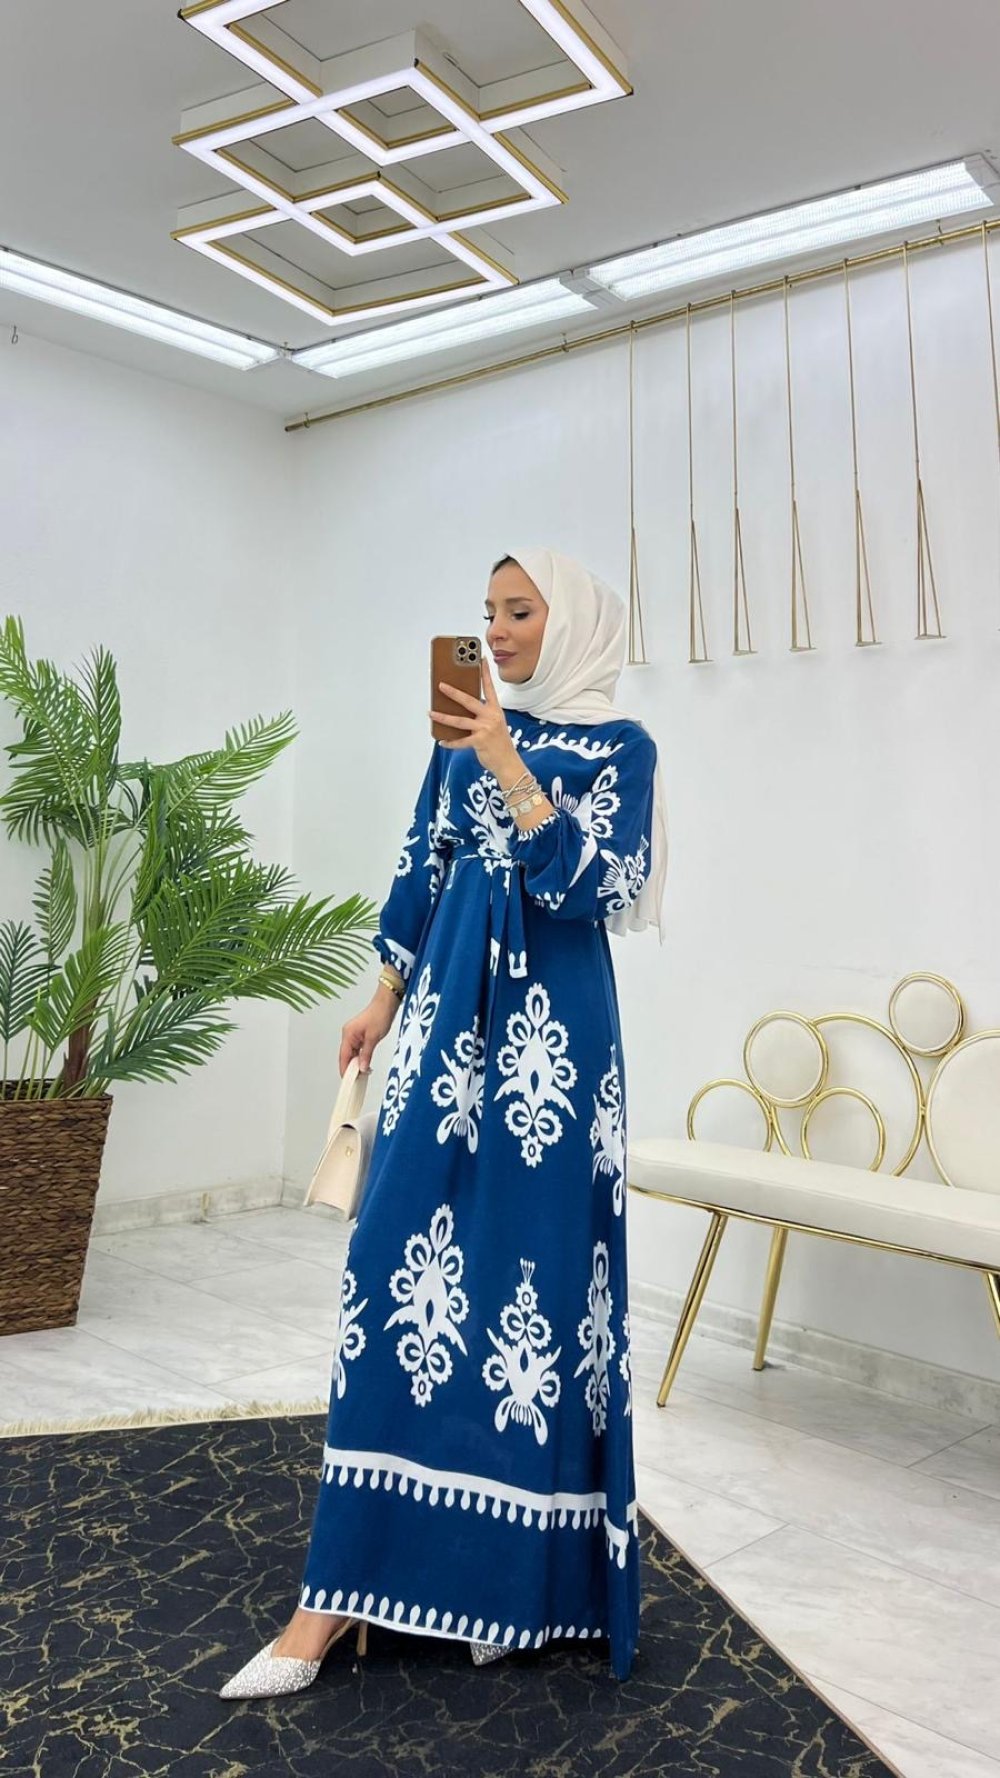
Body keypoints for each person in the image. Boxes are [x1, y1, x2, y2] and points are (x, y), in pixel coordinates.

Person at [219, 546, 669, 1699]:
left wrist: (510, 760)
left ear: (574, 623)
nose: (499, 631)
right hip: (440, 1019)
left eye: (520, 612)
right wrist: (378, 997)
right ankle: (332, 1597)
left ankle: (507, 1587)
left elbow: (595, 888)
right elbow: (422, 860)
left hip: (553, 1047)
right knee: (392, 1265)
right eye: (488, 612)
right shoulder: (457, 734)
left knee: (533, 1286)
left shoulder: (620, 748)